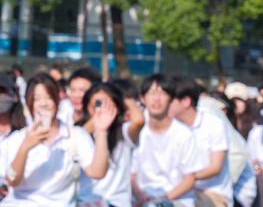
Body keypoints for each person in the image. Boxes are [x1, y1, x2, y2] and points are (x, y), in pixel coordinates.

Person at [0, 73, 113, 203]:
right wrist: (25, 147)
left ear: (57, 100)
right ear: (29, 103)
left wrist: (101, 132)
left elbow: (97, 173)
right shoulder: (17, 139)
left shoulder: (76, 136)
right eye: (36, 99)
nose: (43, 104)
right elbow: (12, 180)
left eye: (48, 97)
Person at [132, 74, 205, 205]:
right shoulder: (136, 132)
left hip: (177, 199)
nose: (157, 99)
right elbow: (131, 175)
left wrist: (162, 199)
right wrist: (141, 196)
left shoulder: (184, 134)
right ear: (142, 98)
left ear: (171, 99)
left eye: (162, 93)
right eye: (151, 93)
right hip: (142, 198)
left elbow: (189, 179)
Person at [78, 81, 145, 207]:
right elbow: (79, 134)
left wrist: (121, 97)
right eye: (97, 104)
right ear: (87, 108)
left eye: (108, 104)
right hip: (86, 201)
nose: (103, 108)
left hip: (117, 202)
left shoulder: (123, 132)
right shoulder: (80, 133)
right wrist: (98, 122)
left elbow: (139, 121)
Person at [170, 77, 235, 207]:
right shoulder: (172, 127)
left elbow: (215, 168)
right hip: (180, 191)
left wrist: (188, 180)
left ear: (186, 101)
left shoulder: (214, 124)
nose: (165, 104)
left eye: (170, 100)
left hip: (213, 195)